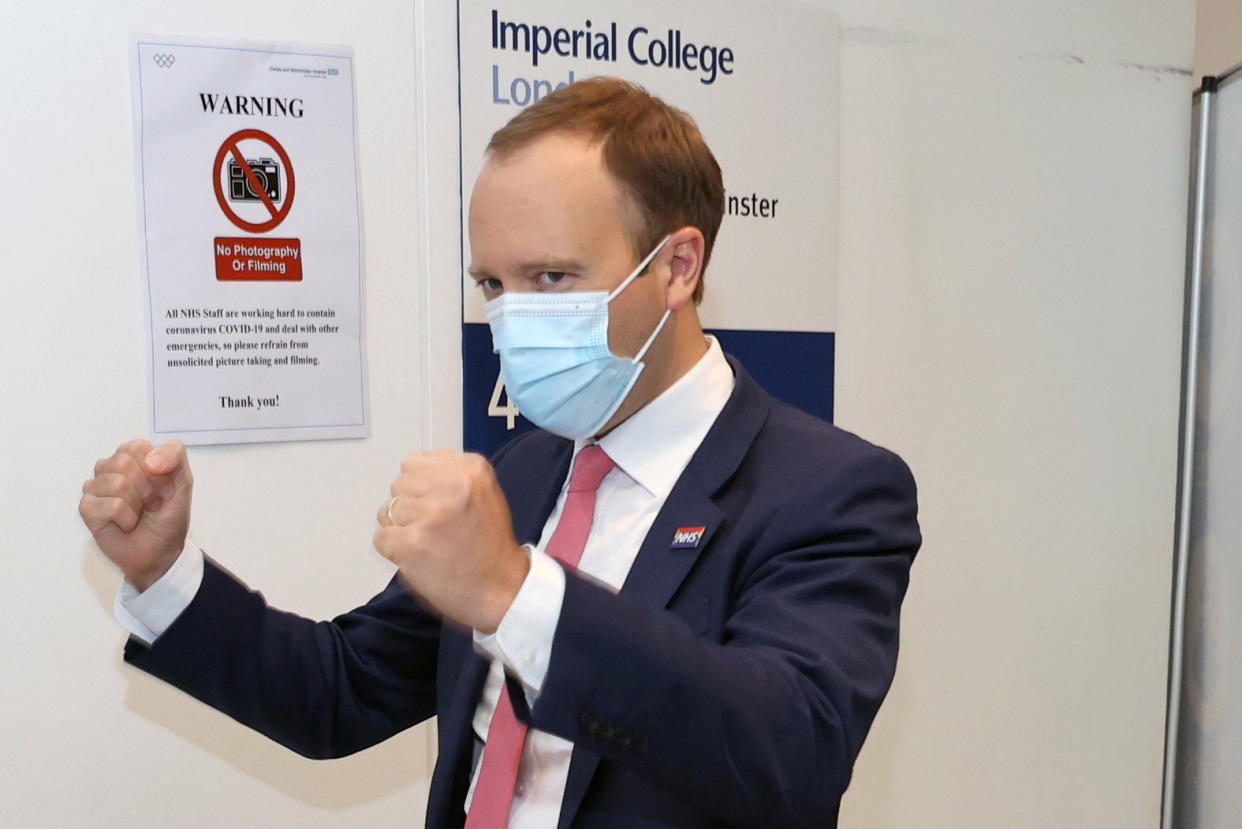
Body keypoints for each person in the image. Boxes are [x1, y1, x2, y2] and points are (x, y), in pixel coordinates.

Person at [79, 77, 920, 828]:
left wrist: (519, 596)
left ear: (677, 265)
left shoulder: (829, 488)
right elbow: (343, 690)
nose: (512, 319)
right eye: (492, 285)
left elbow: (793, 754)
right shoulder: (526, 470)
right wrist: (165, 574)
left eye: (551, 277)